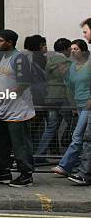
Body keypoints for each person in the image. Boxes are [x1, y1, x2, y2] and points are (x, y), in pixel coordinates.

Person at [0, 29, 35, 187]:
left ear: (10, 42)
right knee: (2, 143)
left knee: (19, 143)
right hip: (4, 109)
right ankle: (4, 171)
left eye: (1, 41)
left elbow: (24, 83)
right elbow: (4, 80)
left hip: (18, 110)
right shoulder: (4, 57)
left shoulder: (19, 58)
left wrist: (7, 94)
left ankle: (26, 174)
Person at [51, 39, 90, 177]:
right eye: (72, 49)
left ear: (84, 51)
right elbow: (70, 85)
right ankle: (81, 166)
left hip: (88, 105)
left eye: (76, 49)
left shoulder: (89, 64)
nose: (73, 51)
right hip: (79, 104)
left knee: (78, 135)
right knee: (85, 137)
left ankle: (64, 166)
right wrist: (64, 74)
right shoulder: (73, 66)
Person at [36, 38, 72, 163]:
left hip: (50, 96)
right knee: (73, 124)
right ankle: (75, 157)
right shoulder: (65, 61)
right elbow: (68, 78)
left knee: (51, 126)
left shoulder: (49, 60)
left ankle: (39, 155)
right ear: (67, 49)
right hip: (61, 96)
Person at [69, 18, 91, 185]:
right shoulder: (73, 66)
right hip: (82, 104)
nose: (84, 35)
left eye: (85, 31)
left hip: (88, 104)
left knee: (86, 139)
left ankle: (84, 173)